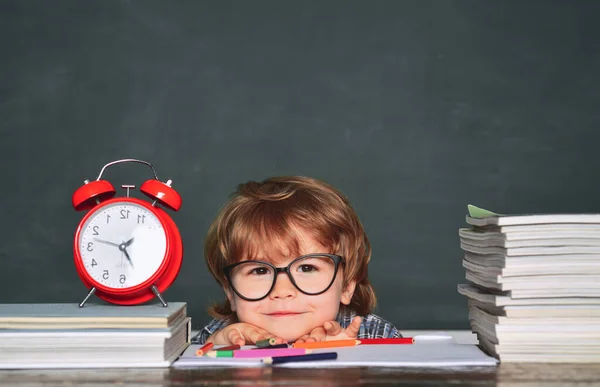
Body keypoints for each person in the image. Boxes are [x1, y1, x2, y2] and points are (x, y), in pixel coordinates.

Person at [192, 176, 401, 345]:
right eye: (260, 271)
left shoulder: (377, 336)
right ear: (230, 291)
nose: (282, 291)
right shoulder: (217, 339)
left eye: (307, 267)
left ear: (347, 285)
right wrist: (215, 364)